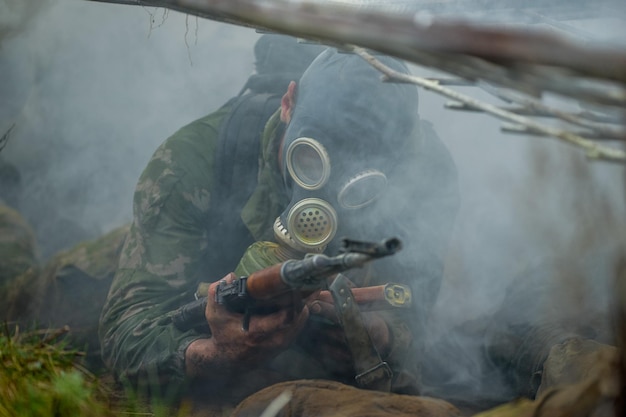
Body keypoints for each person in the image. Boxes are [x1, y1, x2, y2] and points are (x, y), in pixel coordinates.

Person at [98, 38, 460, 414]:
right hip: (182, 290)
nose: (328, 193)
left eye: (359, 183)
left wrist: (378, 336)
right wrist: (217, 353)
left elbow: (414, 317)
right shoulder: (190, 164)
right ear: (288, 103)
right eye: (311, 158)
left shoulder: (425, 178)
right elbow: (126, 329)